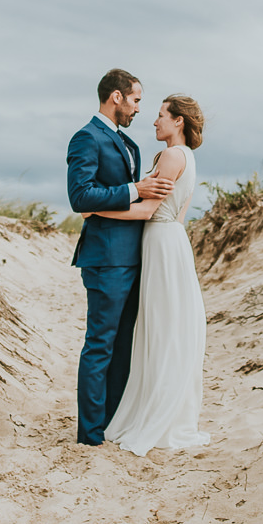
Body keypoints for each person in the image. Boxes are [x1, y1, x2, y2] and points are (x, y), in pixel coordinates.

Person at [92, 94, 210, 456]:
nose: (154, 121)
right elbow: (178, 215)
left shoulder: (172, 155)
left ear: (178, 121)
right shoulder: (188, 158)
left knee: (160, 328)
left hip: (161, 241)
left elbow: (146, 211)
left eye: (160, 116)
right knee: (167, 327)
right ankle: (166, 410)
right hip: (172, 241)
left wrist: (96, 211)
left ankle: (156, 415)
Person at [66, 69, 173, 446]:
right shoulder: (86, 138)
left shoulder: (128, 143)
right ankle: (90, 434)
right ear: (116, 97)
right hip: (105, 257)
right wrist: (135, 188)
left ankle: (112, 425)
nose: (138, 109)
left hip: (135, 257)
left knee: (125, 345)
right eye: (136, 100)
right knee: (100, 344)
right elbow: (80, 197)